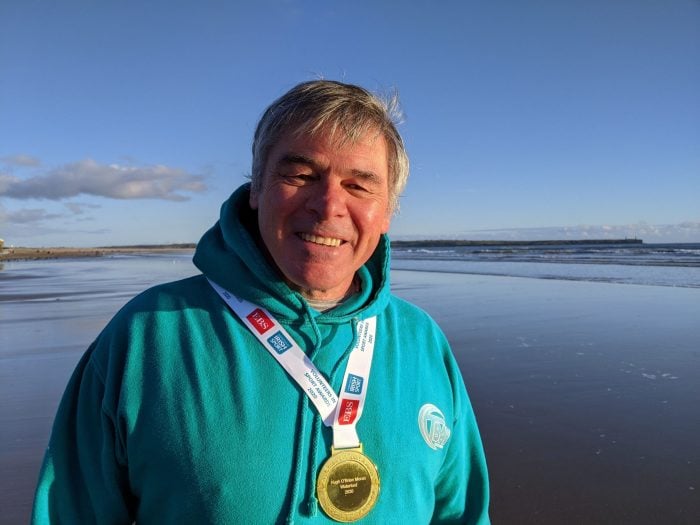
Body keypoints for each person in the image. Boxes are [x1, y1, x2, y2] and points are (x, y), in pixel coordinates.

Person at [32, 80, 490, 524]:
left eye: (359, 185)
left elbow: (462, 515)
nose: (328, 205)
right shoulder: (146, 334)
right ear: (256, 189)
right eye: (301, 175)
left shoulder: (422, 341)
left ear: (387, 210)